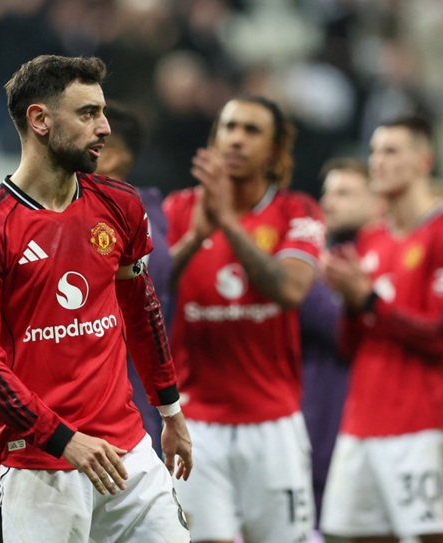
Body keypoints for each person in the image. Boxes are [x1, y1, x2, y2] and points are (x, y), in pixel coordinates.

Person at [0, 55, 192, 543]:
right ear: (40, 120)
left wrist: (170, 411)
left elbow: (142, 311)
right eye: (87, 113)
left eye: (102, 112)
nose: (104, 128)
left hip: (129, 459)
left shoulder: (119, 204)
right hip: (38, 468)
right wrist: (64, 439)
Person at [163, 95, 325, 543]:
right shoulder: (179, 209)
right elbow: (147, 288)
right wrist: (195, 237)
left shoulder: (298, 211)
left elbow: (289, 291)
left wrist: (228, 224)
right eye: (229, 127)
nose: (236, 139)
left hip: (272, 422)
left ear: (275, 150)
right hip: (196, 423)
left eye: (252, 131)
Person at [320, 115, 443, 543]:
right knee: (357, 537)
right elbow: (348, 345)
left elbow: (442, 335)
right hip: (361, 423)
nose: (377, 161)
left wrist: (369, 300)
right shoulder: (370, 240)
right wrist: (351, 302)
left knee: (436, 536)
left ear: (423, 161)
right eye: (374, 151)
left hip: (425, 425)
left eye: (391, 151)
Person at [300, 158, 386, 529]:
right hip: (317, 420)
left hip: (371, 422)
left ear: (377, 204)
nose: (329, 202)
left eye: (344, 193)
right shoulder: (311, 263)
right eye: (327, 192)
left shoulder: (383, 263)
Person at [95, 101, 171, 458]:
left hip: (125, 405)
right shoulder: (150, 215)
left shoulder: (133, 216)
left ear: (108, 156)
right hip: (109, 400)